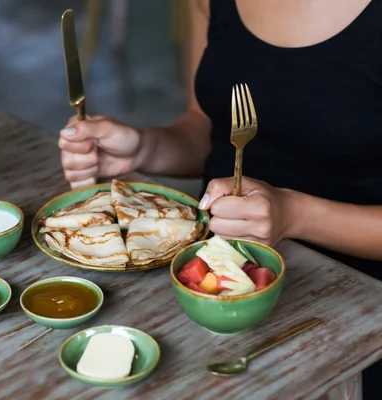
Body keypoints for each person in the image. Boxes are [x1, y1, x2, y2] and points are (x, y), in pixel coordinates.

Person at [57, 0, 382, 398]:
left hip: (352, 309)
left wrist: (294, 213)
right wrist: (143, 150)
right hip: (206, 283)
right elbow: (206, 130)